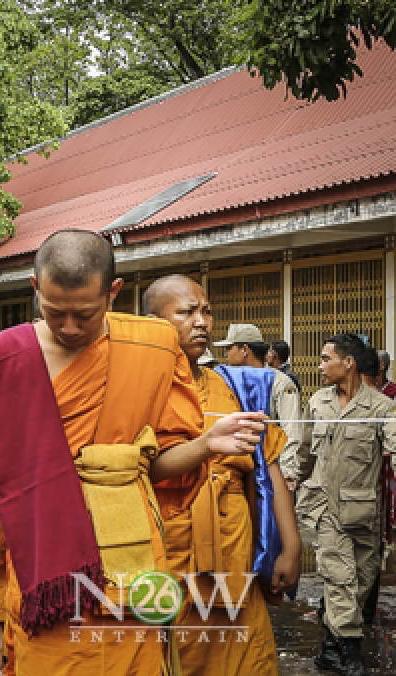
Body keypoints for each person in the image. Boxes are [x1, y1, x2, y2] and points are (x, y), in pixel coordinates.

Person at [0, 230, 263, 676]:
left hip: (135, 568)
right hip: (46, 571)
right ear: (35, 287)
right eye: (54, 313)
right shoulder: (2, 361)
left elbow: (154, 470)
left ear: (113, 292)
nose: (69, 328)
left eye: (85, 314)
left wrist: (204, 445)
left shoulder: (152, 346)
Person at [144, 275, 302, 674]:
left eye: (206, 311)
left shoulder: (231, 385)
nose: (201, 322)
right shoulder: (143, 389)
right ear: (155, 322)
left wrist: (291, 545)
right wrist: (204, 447)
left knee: (247, 657)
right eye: (186, 312)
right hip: (173, 553)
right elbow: (142, 468)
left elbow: (268, 467)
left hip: (235, 551)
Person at [298, 333, 396, 676]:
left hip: (364, 511)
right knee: (340, 579)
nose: (321, 366)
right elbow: (304, 450)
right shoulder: (318, 403)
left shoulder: (381, 408)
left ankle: (328, 647)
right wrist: (293, 479)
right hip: (326, 509)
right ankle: (351, 654)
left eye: (327, 359)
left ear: (348, 363)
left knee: (361, 582)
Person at [215, 324, 304, 492]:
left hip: (272, 472)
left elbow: (292, 430)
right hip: (239, 471)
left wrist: (286, 474)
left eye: (229, 348)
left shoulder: (279, 383)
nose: (226, 354)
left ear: (245, 350)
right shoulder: (228, 382)